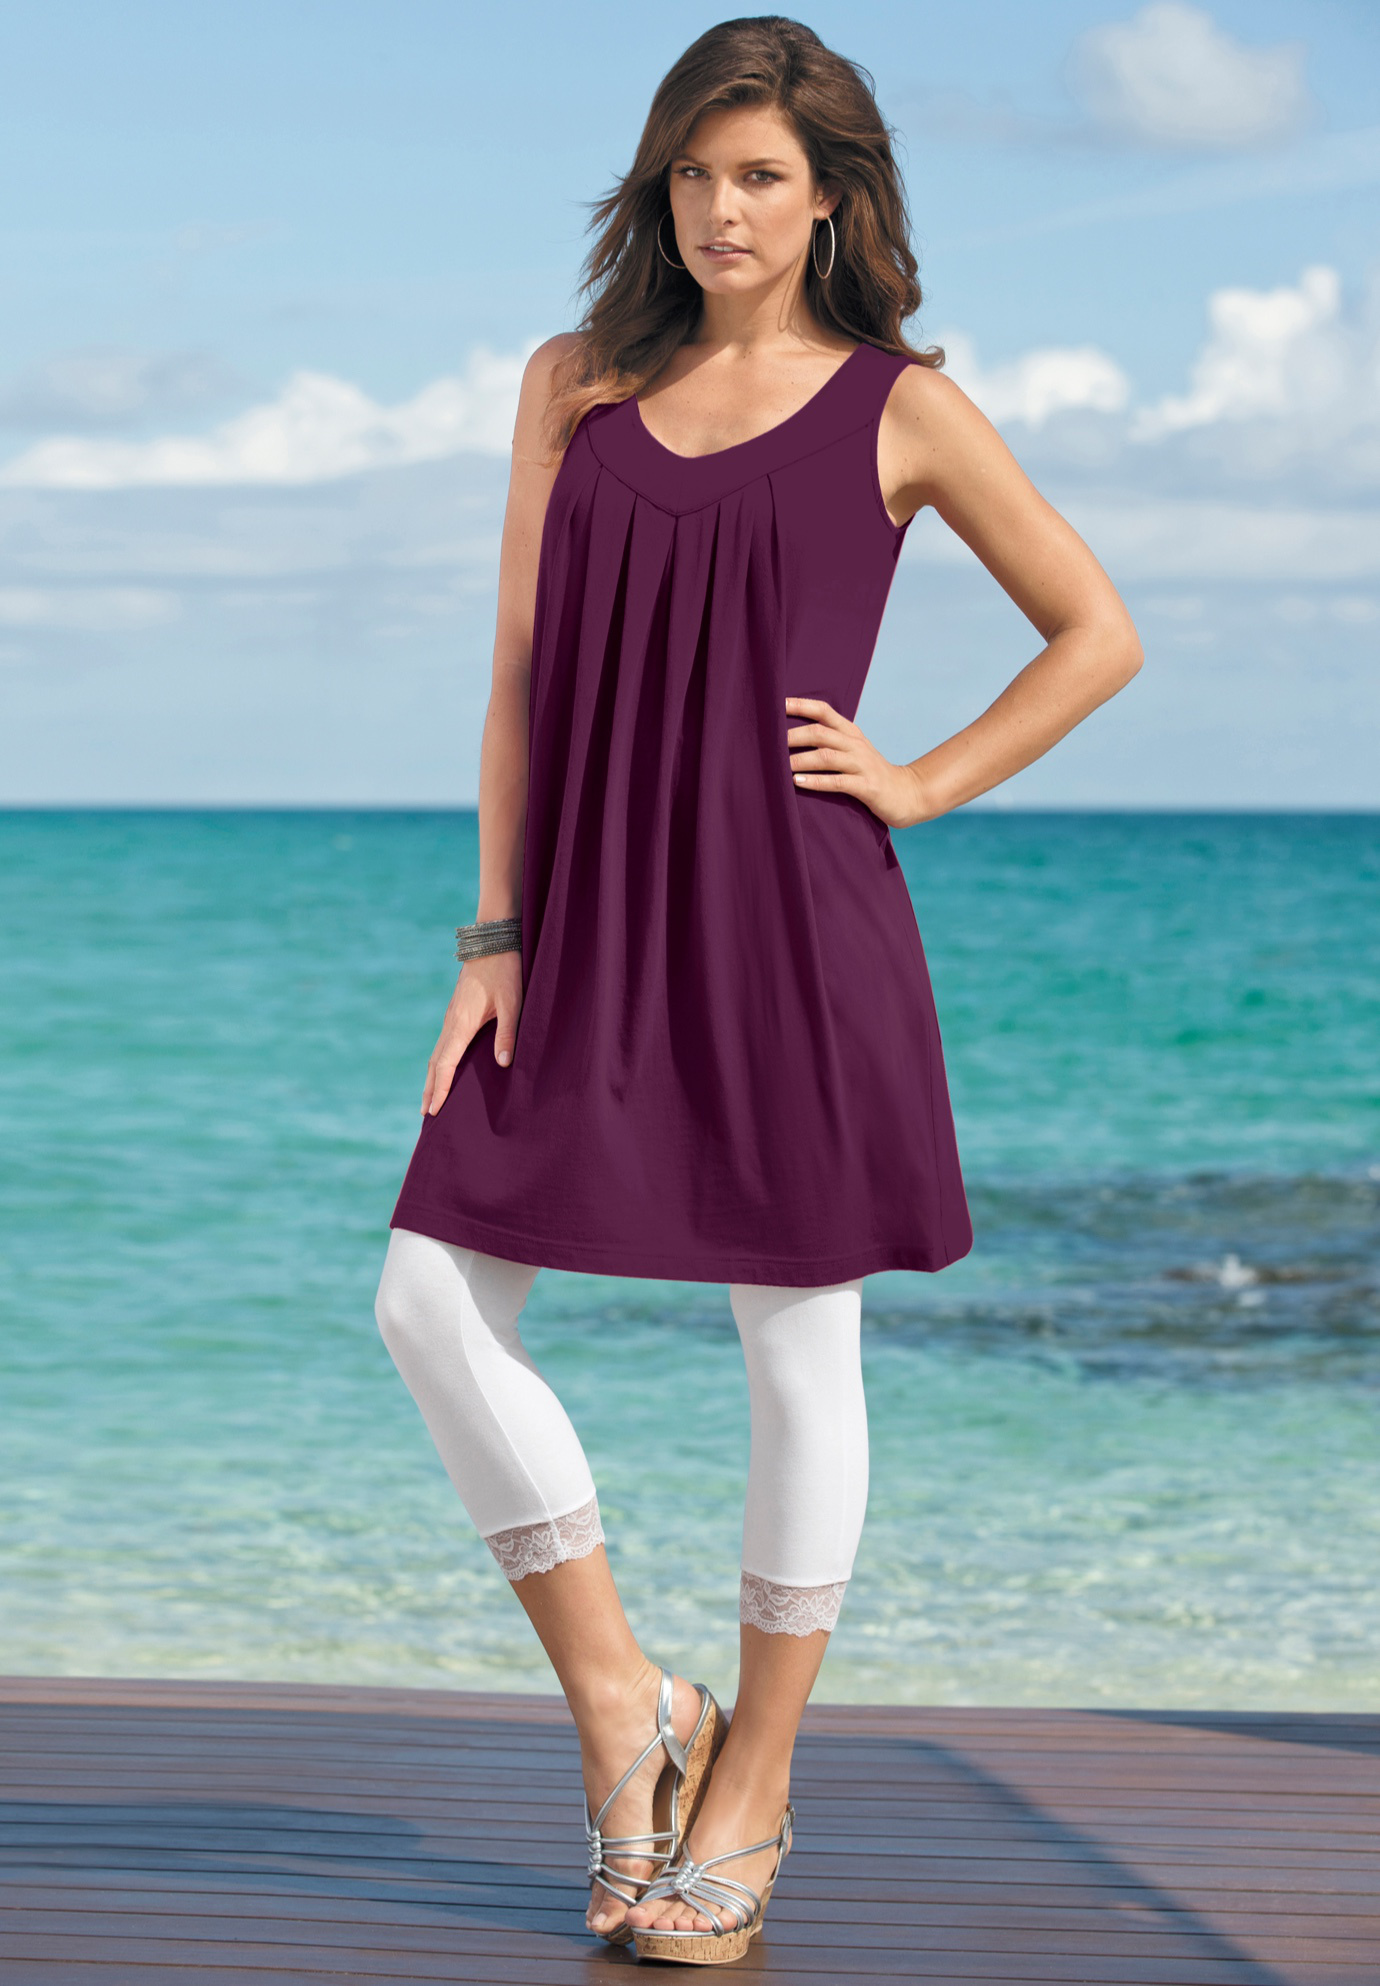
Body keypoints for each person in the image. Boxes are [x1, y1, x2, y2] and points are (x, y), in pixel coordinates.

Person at [373, 15, 1143, 1968]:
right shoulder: (573, 385)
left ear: (832, 200)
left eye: (764, 178)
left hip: (796, 924)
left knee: (797, 1348)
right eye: (697, 174)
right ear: (660, 186)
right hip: (581, 922)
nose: (724, 210)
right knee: (425, 1300)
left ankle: (758, 1789)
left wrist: (920, 780)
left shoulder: (902, 408)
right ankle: (628, 1704)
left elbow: (1094, 632)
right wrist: (493, 934)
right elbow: (516, 681)